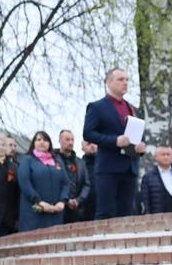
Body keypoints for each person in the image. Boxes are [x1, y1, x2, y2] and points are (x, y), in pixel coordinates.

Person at [83, 67, 147, 219]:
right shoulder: (97, 107)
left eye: (127, 80)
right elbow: (88, 133)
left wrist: (141, 147)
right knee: (106, 213)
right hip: (108, 168)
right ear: (108, 83)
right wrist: (114, 141)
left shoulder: (133, 109)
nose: (125, 83)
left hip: (130, 168)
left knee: (126, 214)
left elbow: (138, 134)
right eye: (120, 79)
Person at [17, 131, 70, 232]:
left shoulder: (57, 160)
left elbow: (65, 183)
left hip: (55, 213)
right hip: (35, 212)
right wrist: (38, 201)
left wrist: (62, 201)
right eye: (39, 140)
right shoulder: (27, 160)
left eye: (45, 140)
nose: (42, 142)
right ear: (34, 143)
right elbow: (25, 182)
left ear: (49, 143)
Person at [54, 129, 92, 224]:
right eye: (67, 139)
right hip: (58, 207)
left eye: (72, 140)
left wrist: (78, 200)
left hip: (76, 210)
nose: (70, 142)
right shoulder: (52, 160)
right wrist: (65, 200)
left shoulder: (80, 163)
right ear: (60, 141)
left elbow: (86, 184)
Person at [141, 145, 172, 215]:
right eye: (163, 154)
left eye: (168, 154)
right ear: (156, 157)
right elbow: (146, 201)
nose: (166, 157)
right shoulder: (148, 177)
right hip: (158, 219)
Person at [78, 139, 98, 222]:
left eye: (94, 142)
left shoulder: (105, 164)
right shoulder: (79, 166)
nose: (92, 145)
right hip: (85, 209)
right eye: (88, 144)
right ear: (83, 148)